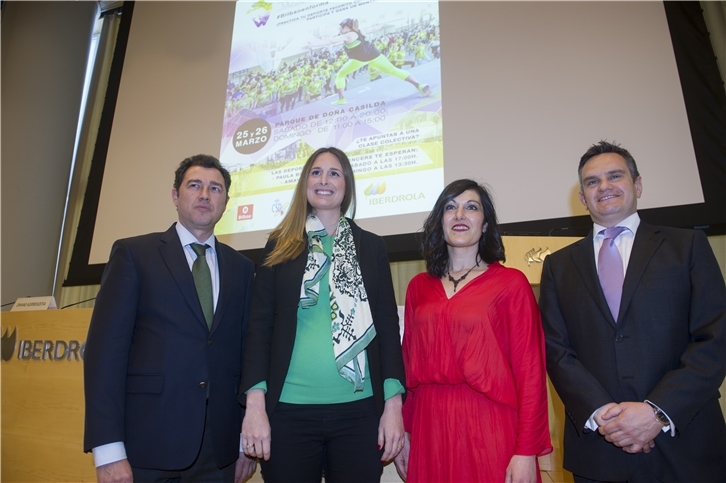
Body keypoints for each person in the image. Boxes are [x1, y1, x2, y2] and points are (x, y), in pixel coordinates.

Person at [539, 141, 726, 482]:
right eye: (592, 182)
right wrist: (603, 414)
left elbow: (714, 337)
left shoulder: (688, 247)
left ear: (637, 184)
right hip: (600, 447)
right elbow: (555, 348)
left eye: (615, 175)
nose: (604, 186)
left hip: (685, 442)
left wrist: (657, 411)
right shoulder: (558, 266)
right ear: (582, 198)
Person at [83, 154, 257, 483]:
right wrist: (107, 450)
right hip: (146, 445)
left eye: (215, 189)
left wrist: (242, 442)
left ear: (226, 202)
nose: (205, 195)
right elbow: (104, 354)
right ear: (175, 196)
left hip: (217, 452)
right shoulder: (134, 254)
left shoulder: (243, 269)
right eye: (195, 186)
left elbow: (246, 356)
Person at [240, 147, 406, 482]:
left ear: (347, 185)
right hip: (288, 413)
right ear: (305, 183)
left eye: (334, 173)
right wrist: (255, 405)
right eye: (316, 172)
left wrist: (393, 406)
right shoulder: (280, 245)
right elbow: (259, 328)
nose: (324, 180)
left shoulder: (371, 247)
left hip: (360, 413)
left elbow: (387, 328)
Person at [394, 179, 552, 482]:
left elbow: (530, 374)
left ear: (486, 223)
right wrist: (406, 431)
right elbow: (408, 370)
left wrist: (526, 451)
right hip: (430, 427)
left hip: (490, 425)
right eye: (450, 207)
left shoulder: (511, 284)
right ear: (440, 222)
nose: (460, 215)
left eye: (471, 207)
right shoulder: (418, 287)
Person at [328, 18, 430, 105]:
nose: (340, 29)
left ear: (346, 27)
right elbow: (373, 29)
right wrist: (379, 26)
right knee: (393, 70)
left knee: (340, 75)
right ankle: (419, 86)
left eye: (341, 27)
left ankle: (341, 99)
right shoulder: (360, 30)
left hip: (359, 59)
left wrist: (313, 42)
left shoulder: (347, 35)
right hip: (373, 55)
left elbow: (330, 41)